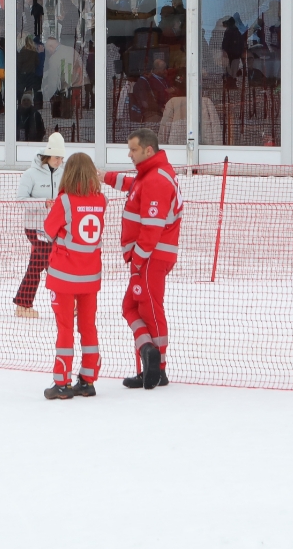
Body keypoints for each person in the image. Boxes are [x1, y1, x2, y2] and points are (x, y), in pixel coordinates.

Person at [103, 127, 182, 390]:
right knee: (131, 306)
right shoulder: (149, 175)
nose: (129, 154)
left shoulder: (156, 179)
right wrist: (104, 177)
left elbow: (151, 228)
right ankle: (149, 353)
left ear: (149, 150)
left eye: (133, 150)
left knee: (149, 309)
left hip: (151, 256)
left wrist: (137, 260)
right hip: (148, 256)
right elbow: (133, 186)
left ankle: (157, 368)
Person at [42, 150, 107, 399]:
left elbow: (48, 231)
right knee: (88, 326)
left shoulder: (65, 201)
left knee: (65, 328)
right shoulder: (101, 201)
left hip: (64, 277)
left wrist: (54, 208)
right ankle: (88, 379)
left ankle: (62, 382)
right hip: (90, 277)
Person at [14, 133, 66, 317]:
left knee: (36, 264)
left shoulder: (64, 173)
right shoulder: (30, 174)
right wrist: (43, 202)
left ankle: (23, 304)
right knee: (50, 262)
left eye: (61, 158)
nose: (59, 161)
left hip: (55, 228)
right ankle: (67, 301)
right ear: (47, 155)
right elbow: (20, 200)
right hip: (35, 228)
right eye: (56, 157)